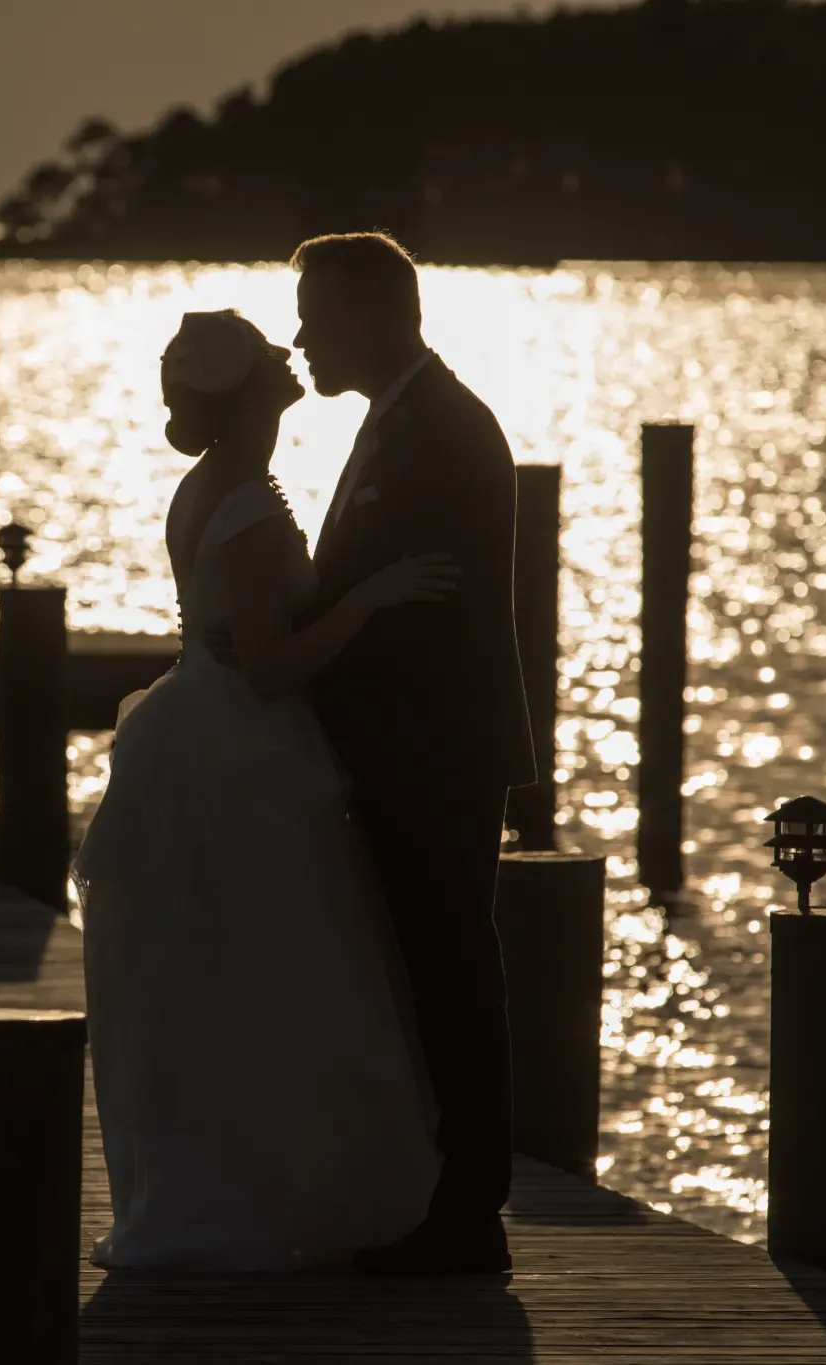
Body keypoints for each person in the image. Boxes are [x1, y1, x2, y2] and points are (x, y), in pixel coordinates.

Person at [73, 309, 451, 1271]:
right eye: (269, 353)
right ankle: (252, 1199)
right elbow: (271, 669)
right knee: (272, 973)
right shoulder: (241, 503)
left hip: (208, 733)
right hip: (242, 752)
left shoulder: (215, 488)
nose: (290, 356)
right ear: (248, 390)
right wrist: (373, 595)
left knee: (223, 974)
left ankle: (244, 1187)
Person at [293, 232, 535, 1275]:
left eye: (317, 313)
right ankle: (440, 1189)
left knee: (448, 968)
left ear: (371, 315)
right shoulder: (404, 423)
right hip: (404, 751)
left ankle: (468, 1207)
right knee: (427, 967)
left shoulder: (443, 430)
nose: (302, 335)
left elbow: (425, 620)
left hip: (432, 752)